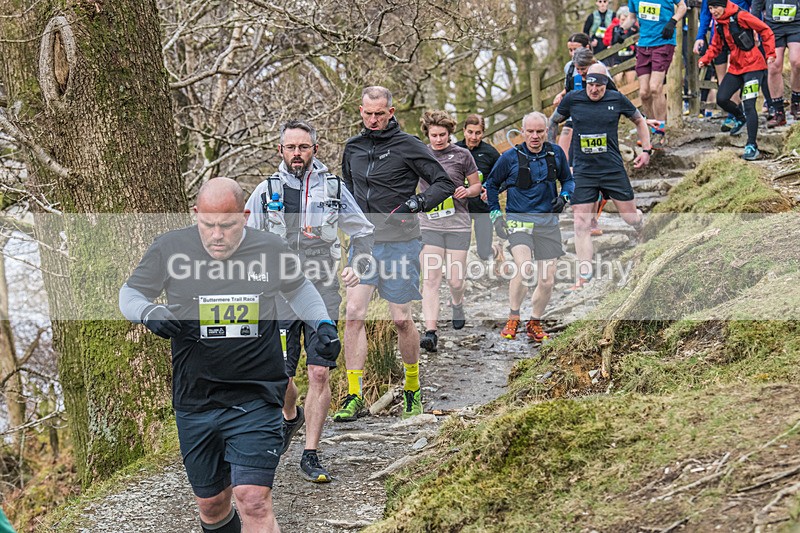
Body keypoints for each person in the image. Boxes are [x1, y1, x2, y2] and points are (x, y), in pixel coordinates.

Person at [119, 178, 339, 532]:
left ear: (245, 216)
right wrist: (148, 313)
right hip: (196, 398)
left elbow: (299, 289)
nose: (217, 235)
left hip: (256, 394)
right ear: (196, 216)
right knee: (211, 504)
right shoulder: (170, 248)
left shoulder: (270, 249)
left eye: (227, 225)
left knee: (253, 499)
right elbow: (129, 293)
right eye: (208, 225)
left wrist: (323, 324)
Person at [244, 120, 374, 483]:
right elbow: (244, 239)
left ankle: (311, 452)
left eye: (304, 147)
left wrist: (357, 266)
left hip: (322, 289)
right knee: (279, 375)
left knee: (319, 370)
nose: (297, 153)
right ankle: (290, 416)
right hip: (279, 293)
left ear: (315, 149)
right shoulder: (266, 189)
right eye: (291, 147)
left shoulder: (332, 186)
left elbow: (363, 230)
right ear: (280, 150)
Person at [338, 86, 455, 421]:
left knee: (401, 318)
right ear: (360, 110)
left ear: (391, 112)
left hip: (401, 242)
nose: (374, 120)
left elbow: (443, 183)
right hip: (364, 243)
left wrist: (416, 204)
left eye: (380, 113)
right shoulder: (353, 148)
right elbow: (348, 191)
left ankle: (413, 387)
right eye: (368, 113)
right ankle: (354, 395)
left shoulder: (408, 145)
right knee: (355, 313)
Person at [547, 64, 652, 291]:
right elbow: (553, 121)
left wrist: (646, 150)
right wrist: (552, 150)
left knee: (630, 217)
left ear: (606, 84)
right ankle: (584, 275)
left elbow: (639, 120)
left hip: (612, 169)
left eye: (599, 86)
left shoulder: (616, 99)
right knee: (580, 222)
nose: (594, 90)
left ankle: (642, 224)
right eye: (590, 85)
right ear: (585, 82)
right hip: (584, 171)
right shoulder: (573, 99)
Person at [485, 112, 575, 342]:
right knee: (524, 269)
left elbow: (568, 180)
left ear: (547, 131)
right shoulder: (509, 157)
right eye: (530, 131)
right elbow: (492, 184)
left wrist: (564, 196)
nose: (535, 136)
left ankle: (534, 322)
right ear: (522, 132)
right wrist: (496, 214)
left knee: (547, 279)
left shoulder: (556, 154)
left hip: (547, 223)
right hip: (518, 222)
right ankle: (514, 315)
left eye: (540, 131)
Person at [418, 110, 481, 352]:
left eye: (442, 135)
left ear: (449, 134)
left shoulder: (462, 155)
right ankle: (430, 331)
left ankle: (457, 302)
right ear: (428, 134)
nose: (438, 140)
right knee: (431, 278)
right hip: (430, 224)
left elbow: (476, 185)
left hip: (458, 224)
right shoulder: (420, 154)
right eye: (434, 135)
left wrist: (468, 191)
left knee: (455, 280)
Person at [701, 0, 776, 160]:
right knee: (722, 98)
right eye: (710, 8)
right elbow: (716, 46)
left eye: (715, 7)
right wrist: (706, 59)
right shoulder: (719, 24)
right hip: (736, 67)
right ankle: (739, 117)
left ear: (723, 5)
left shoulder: (741, 15)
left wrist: (770, 53)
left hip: (754, 66)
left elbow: (765, 30)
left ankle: (751, 146)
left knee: (749, 104)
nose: (713, 11)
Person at [624, 0, 688, 141]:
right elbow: (631, 17)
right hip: (644, 44)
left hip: (663, 42)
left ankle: (660, 130)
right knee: (644, 92)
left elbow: (683, 6)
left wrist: (673, 21)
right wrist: (621, 29)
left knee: (655, 87)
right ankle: (651, 128)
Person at [694, 0, 754, 131]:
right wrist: (700, 36)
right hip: (718, 39)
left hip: (738, 38)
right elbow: (705, 14)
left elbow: (754, 7)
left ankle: (734, 115)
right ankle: (737, 113)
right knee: (722, 81)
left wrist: (754, 32)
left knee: (732, 75)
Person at [455, 114, 501, 262]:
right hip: (461, 208)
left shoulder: (490, 153)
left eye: (478, 132)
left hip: (482, 207)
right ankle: (459, 279)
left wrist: (493, 191)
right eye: (470, 132)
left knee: (483, 252)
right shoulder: (454, 150)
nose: (474, 137)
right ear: (464, 131)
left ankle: (496, 250)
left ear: (483, 132)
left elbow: (506, 175)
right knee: (460, 248)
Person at [751, 0, 800, 126]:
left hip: (796, 23)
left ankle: (796, 103)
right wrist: (754, 25)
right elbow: (757, 3)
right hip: (773, 26)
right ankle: (778, 111)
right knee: (773, 67)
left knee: (797, 62)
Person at [604, 6, 640, 86]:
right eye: (622, 20)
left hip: (630, 57)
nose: (624, 22)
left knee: (631, 83)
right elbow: (610, 43)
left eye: (626, 20)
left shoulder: (634, 29)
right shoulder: (615, 29)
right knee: (618, 80)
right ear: (619, 19)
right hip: (617, 59)